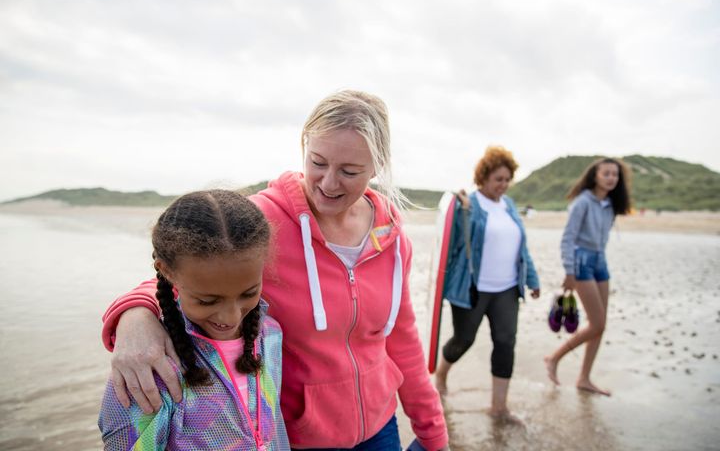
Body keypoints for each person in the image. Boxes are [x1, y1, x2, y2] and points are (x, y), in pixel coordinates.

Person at [100, 90, 449, 450]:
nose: (328, 183)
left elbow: (403, 342)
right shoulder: (264, 221)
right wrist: (134, 317)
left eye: (349, 171)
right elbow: (181, 271)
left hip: (379, 429)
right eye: (317, 162)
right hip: (295, 436)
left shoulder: (390, 239)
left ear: (377, 166)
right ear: (304, 147)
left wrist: (433, 433)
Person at [98, 190, 289, 450]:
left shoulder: (271, 335)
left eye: (248, 293)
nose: (231, 317)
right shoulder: (147, 367)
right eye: (207, 301)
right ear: (166, 272)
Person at [434, 146, 540, 422]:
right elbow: (455, 243)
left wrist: (532, 279)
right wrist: (463, 211)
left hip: (506, 289)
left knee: (506, 343)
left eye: (507, 180)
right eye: (498, 179)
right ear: (483, 177)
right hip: (472, 289)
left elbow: (521, 247)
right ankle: (441, 374)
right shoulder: (468, 204)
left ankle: (499, 407)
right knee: (463, 340)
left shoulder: (510, 205)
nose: (503, 186)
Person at [544, 157, 632, 396]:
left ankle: (584, 378)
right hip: (581, 261)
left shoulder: (610, 205)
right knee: (598, 323)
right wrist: (569, 271)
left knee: (600, 326)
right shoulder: (582, 202)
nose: (611, 178)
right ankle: (554, 358)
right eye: (606, 173)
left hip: (600, 260)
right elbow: (567, 239)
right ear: (595, 176)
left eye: (615, 174)